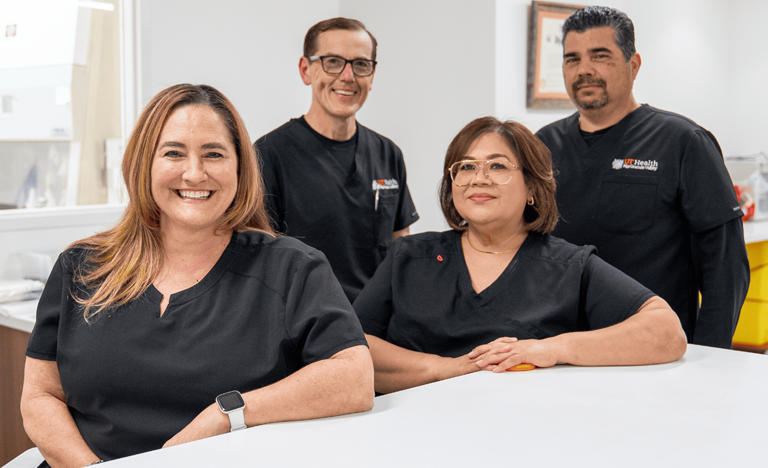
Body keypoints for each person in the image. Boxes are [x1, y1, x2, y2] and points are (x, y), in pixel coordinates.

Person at [21, 84, 374, 466]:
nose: (194, 173)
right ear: (144, 164)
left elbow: (354, 379)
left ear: (240, 167)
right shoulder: (82, 265)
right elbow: (41, 396)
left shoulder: (292, 268)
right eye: (174, 153)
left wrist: (227, 413)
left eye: (214, 154)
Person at [352, 117, 687, 394]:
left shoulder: (568, 267)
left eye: (497, 166)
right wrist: (445, 369)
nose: (478, 178)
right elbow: (351, 344)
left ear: (531, 187)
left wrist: (550, 349)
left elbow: (666, 332)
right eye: (465, 167)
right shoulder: (408, 257)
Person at [535, 6, 749, 349]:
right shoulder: (540, 146)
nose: (584, 70)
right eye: (572, 59)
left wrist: (708, 358)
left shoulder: (683, 142)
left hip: (655, 354)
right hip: (559, 350)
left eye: (600, 56)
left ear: (633, 65)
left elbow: (725, 268)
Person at [256, 17, 419, 304]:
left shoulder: (387, 153)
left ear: (372, 75)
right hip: (305, 323)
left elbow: (399, 254)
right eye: (333, 62)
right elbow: (259, 260)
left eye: (360, 64)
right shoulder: (269, 155)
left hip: (377, 324)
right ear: (306, 70)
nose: (347, 76)